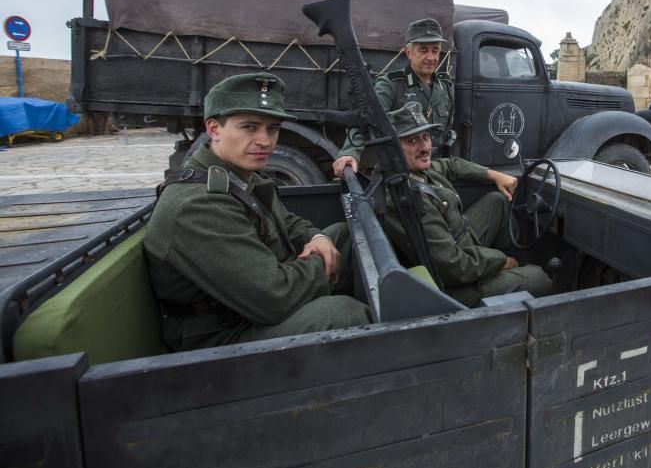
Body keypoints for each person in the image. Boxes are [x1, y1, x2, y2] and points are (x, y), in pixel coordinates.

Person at [144, 73, 369, 352]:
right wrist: (320, 265)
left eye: (272, 128)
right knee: (343, 314)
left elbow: (289, 223)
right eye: (249, 127)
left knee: (342, 237)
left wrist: (320, 238)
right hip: (221, 336)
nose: (265, 140)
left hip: (249, 307)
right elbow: (275, 299)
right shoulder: (198, 206)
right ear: (214, 129)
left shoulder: (242, 176)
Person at [381, 102, 552, 307]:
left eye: (426, 137)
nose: (425, 147)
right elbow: (454, 266)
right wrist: (499, 261)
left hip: (458, 239)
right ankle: (515, 274)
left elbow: (451, 165)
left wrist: (493, 175)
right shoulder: (409, 200)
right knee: (540, 277)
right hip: (453, 287)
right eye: (412, 141)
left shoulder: (413, 170)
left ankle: (515, 269)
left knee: (496, 201)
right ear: (394, 149)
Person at [333, 18, 454, 177]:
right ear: (409, 53)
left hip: (436, 170)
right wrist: (349, 152)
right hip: (402, 172)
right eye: (424, 50)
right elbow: (367, 119)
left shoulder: (445, 86)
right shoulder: (391, 84)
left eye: (436, 50)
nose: (431, 57)